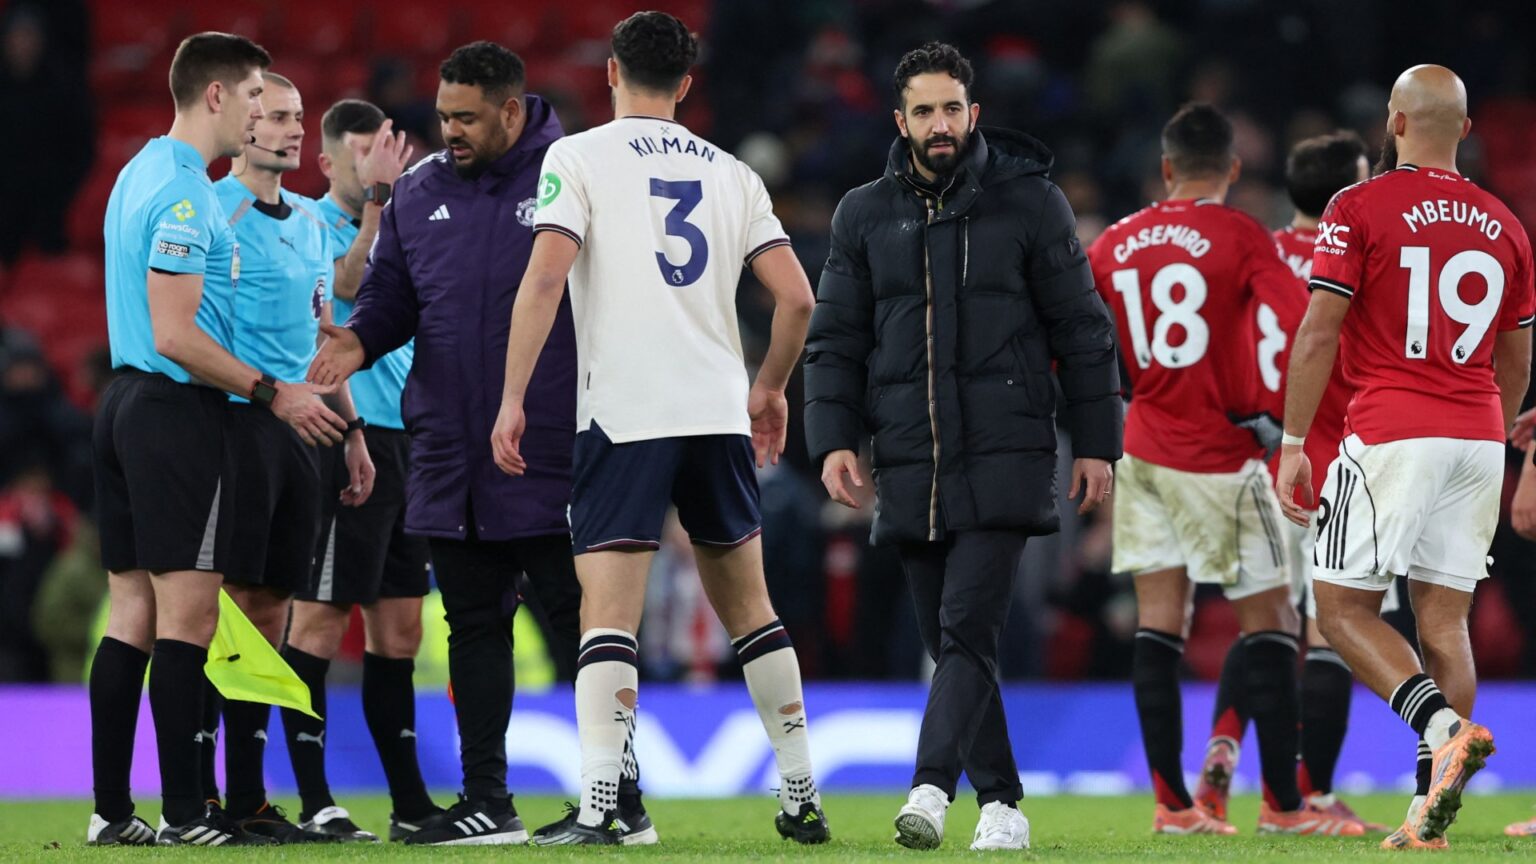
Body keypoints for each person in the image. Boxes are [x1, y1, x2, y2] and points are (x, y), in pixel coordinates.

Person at [489, 11, 828, 846]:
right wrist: (771, 388)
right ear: (686, 82)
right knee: (753, 610)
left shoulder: (577, 157)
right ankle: (801, 797)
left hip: (625, 413)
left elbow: (543, 280)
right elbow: (797, 298)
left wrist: (512, 397)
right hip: (715, 412)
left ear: (611, 72)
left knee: (608, 616)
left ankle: (604, 809)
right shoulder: (731, 171)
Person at [306, 41, 648, 846]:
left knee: (581, 626)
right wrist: (357, 343)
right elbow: (391, 298)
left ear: (509, 109)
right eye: (442, 116)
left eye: (465, 118)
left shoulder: (578, 174)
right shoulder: (420, 193)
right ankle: (488, 799)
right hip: (449, 452)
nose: (449, 132)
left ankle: (621, 801)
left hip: (550, 447)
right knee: (471, 625)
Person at [804, 41, 1120, 852]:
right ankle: (1005, 806)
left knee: (967, 629)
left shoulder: (1031, 203)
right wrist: (833, 438)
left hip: (1009, 451)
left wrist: (1096, 444)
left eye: (952, 108)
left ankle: (930, 789)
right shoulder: (862, 213)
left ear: (973, 113)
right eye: (924, 111)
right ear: (900, 120)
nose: (939, 124)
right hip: (910, 459)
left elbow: (1084, 333)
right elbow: (834, 341)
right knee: (953, 641)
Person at [89, 31, 342, 848]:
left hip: (122, 404)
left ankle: (111, 810)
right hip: (174, 412)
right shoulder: (190, 195)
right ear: (216, 97)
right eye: (252, 98)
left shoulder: (137, 172)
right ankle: (187, 812)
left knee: (131, 607)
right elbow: (174, 333)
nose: (259, 113)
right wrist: (272, 392)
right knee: (189, 616)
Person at [1277, 64, 1534, 849]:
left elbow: (1320, 330)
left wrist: (1292, 442)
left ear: (1393, 123)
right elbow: (1518, 353)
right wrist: (1497, 426)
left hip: (1392, 428)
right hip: (1478, 435)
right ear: (1463, 129)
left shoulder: (1356, 205)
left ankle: (1443, 727)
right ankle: (1427, 815)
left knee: (1341, 606)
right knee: (1444, 621)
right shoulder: (1506, 223)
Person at [1087, 103, 1361, 836]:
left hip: (1141, 447)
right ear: (1234, 170)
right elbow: (1305, 321)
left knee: (1159, 625)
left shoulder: (1113, 244)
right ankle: (1285, 805)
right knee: (1271, 624)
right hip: (1223, 454)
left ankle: (1173, 805)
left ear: (1167, 167)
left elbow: (1076, 347)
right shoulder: (1240, 234)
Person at [1192, 131, 1385, 832]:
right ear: (1346, 190)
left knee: (1262, 624)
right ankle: (1310, 794)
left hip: (1249, 460)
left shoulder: (1255, 252)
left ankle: (1220, 756)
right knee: (1333, 629)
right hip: (1328, 462)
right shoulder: (1360, 254)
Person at [277, 98, 440, 844]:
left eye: (388, 155)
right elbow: (346, 289)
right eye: (361, 157)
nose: (380, 168)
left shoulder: (406, 229)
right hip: (345, 438)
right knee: (316, 618)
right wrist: (379, 199)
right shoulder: (310, 224)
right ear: (327, 163)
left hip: (410, 444)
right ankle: (314, 801)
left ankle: (410, 805)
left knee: (400, 627)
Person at [208, 69, 362, 845]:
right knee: (220, 608)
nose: (294, 130)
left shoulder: (307, 220)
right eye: (276, 117)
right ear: (242, 125)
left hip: (307, 434)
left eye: (299, 117)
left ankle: (249, 795)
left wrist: (354, 430)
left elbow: (322, 334)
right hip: (238, 423)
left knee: (271, 607)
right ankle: (202, 791)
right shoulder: (212, 213)